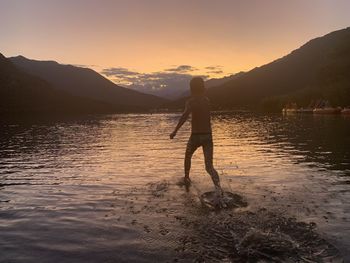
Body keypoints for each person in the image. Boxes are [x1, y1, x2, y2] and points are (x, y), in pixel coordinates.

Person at [170, 77, 223, 196]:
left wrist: (175, 131)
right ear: (203, 87)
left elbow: (184, 117)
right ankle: (218, 189)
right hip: (208, 137)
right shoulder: (206, 100)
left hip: (195, 136)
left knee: (187, 156)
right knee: (209, 166)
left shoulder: (190, 102)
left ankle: (187, 178)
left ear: (191, 88)